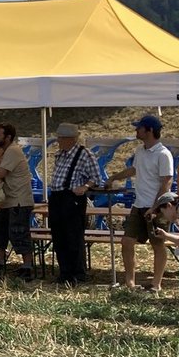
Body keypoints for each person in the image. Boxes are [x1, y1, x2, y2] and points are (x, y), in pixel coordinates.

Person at [117, 114, 174, 291]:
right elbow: (134, 169)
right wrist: (114, 177)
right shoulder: (140, 151)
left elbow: (167, 182)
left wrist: (155, 207)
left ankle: (156, 284)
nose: (136, 130)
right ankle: (130, 283)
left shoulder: (163, 154)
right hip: (139, 204)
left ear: (149, 130)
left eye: (139, 127)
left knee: (157, 244)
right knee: (127, 241)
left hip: (157, 207)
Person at [48, 122, 100, 286]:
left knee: (73, 237)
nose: (58, 141)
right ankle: (64, 272)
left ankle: (78, 274)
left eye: (61, 138)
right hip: (57, 197)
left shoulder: (84, 154)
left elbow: (96, 177)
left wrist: (85, 187)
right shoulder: (60, 154)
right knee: (58, 236)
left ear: (70, 139)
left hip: (72, 198)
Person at [0, 123, 35, 278]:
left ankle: (27, 267)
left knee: (19, 233)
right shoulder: (2, 152)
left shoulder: (13, 151)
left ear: (8, 137)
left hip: (19, 201)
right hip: (8, 200)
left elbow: (0, 174)